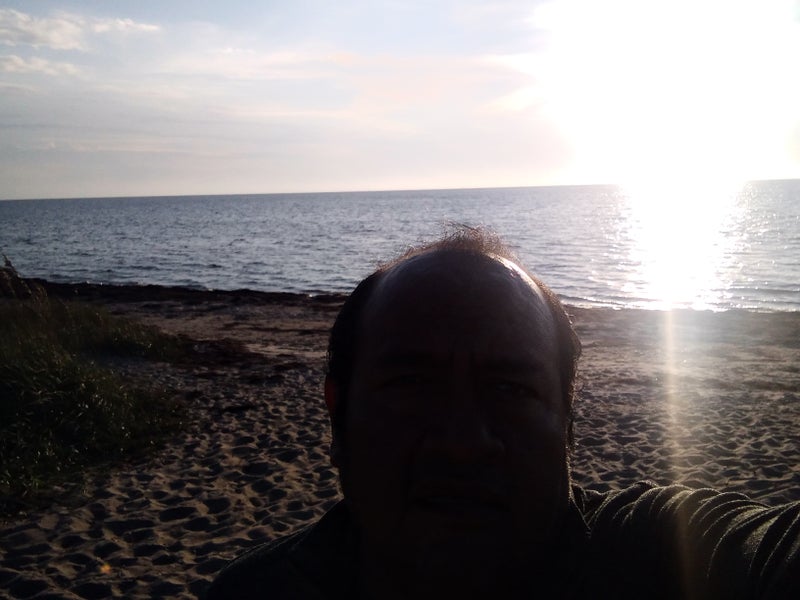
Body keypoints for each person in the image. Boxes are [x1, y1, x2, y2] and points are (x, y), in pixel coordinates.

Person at [207, 229, 800, 599]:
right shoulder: (252, 592)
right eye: (412, 385)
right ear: (339, 416)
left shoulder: (667, 556)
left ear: (567, 422)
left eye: (510, 390)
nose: (463, 442)